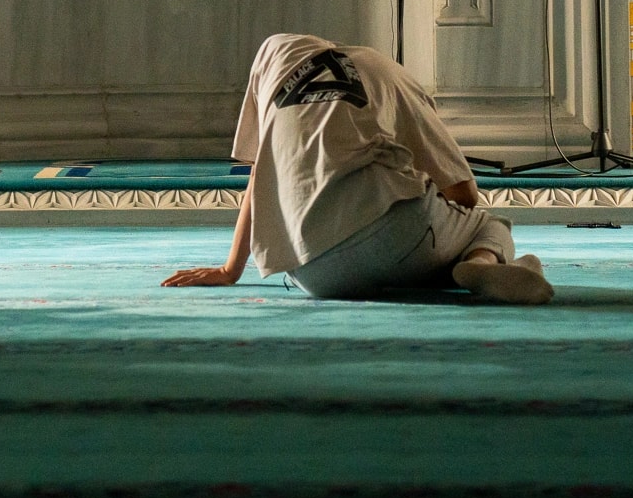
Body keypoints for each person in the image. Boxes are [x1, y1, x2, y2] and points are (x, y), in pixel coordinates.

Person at [164, 33, 553, 304]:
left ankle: (453, 266)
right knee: (488, 224)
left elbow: (259, 181)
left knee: (409, 246)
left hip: (311, 271)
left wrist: (230, 269)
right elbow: (464, 195)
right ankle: (480, 264)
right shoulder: (389, 73)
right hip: (396, 235)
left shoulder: (273, 63)